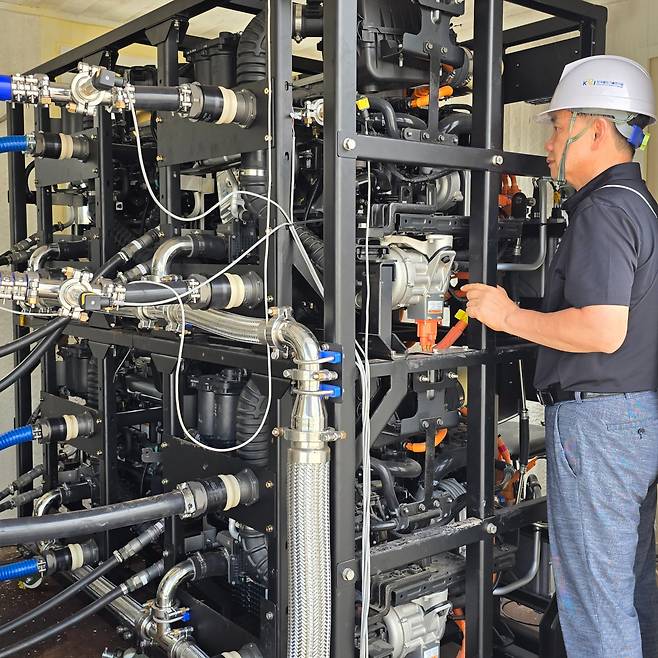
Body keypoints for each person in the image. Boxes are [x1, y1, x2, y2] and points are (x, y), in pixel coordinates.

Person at [463, 55, 658, 658]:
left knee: (595, 602)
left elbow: (602, 330)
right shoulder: (639, 204)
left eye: (556, 125)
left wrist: (505, 316)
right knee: (630, 583)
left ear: (596, 129)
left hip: (602, 426)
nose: (548, 143)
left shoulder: (603, 210)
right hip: (636, 416)